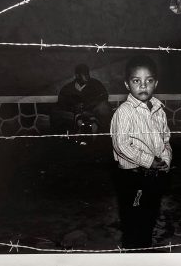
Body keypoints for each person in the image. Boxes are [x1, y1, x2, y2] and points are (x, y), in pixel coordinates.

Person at [110, 55, 172, 249]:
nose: (143, 86)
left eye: (149, 81)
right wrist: (148, 160)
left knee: (150, 214)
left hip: (154, 176)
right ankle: (133, 253)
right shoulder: (124, 112)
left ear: (156, 83)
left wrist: (165, 160)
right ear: (127, 85)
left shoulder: (159, 110)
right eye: (137, 81)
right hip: (132, 177)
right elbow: (121, 144)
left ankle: (144, 248)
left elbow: (165, 139)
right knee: (133, 219)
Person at [52, 64, 111, 134]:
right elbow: (61, 102)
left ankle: (97, 132)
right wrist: (74, 107)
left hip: (93, 113)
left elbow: (104, 97)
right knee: (55, 113)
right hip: (75, 115)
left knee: (104, 107)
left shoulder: (96, 84)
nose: (88, 76)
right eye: (84, 74)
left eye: (88, 73)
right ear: (77, 76)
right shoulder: (67, 88)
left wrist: (91, 105)